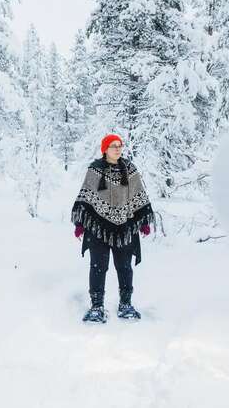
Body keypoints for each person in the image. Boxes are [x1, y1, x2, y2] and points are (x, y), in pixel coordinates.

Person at [71, 134, 154, 323]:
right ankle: (97, 306)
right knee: (98, 267)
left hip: (125, 228)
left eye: (119, 145)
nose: (117, 149)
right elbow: (86, 197)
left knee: (124, 267)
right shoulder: (95, 170)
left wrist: (144, 221)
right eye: (113, 146)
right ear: (105, 149)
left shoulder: (130, 169)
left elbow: (139, 195)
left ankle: (126, 304)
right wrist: (80, 224)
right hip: (98, 229)